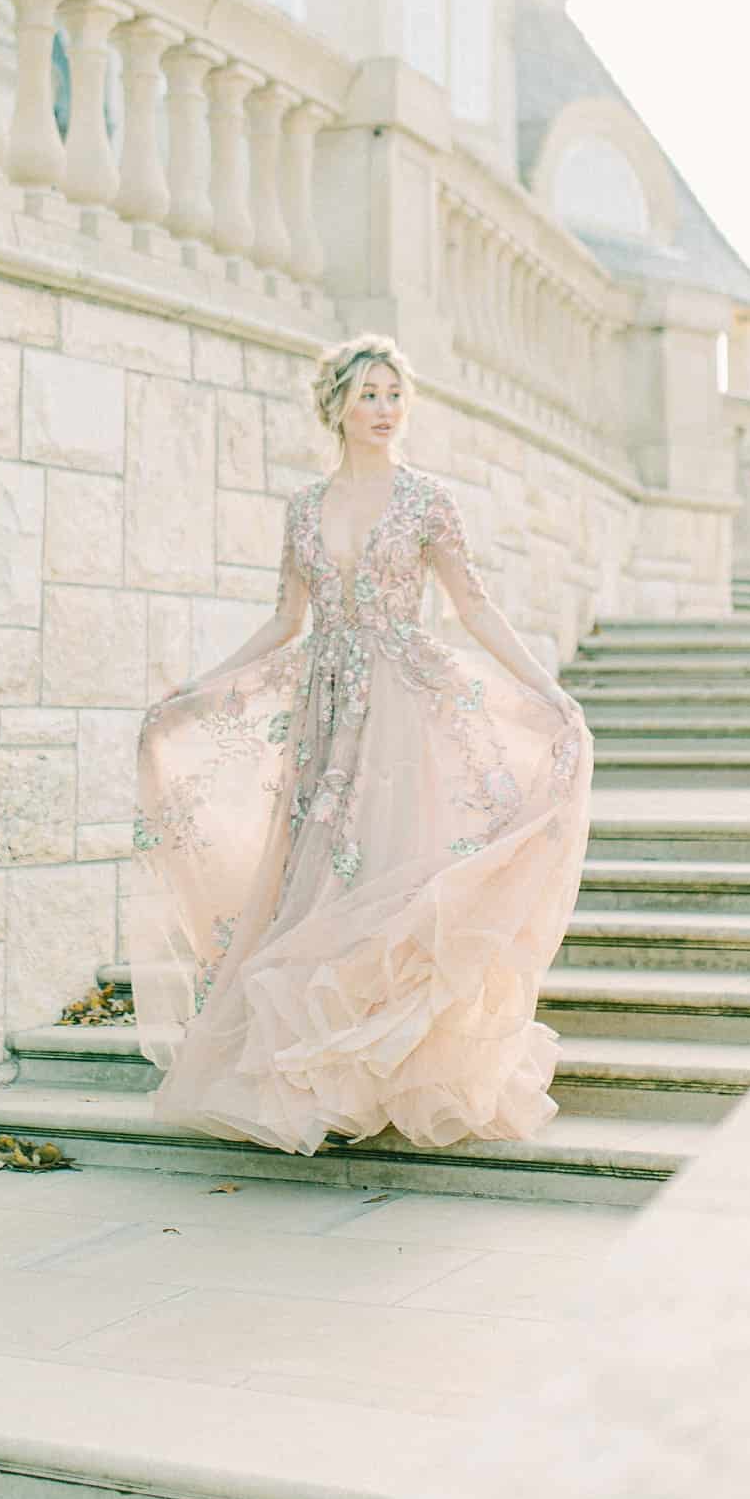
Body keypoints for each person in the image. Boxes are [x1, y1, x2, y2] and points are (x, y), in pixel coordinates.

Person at [128, 332, 594, 1156]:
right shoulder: (304, 507)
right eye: (370, 394)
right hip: (325, 710)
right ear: (337, 404)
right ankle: (321, 1078)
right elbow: (286, 619)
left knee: (385, 872)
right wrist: (199, 685)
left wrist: (545, 687)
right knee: (315, 887)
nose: (385, 409)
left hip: (402, 710)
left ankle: (389, 1069)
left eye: (394, 394)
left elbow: (473, 607)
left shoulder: (425, 500)